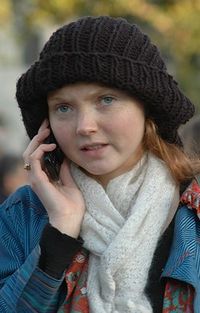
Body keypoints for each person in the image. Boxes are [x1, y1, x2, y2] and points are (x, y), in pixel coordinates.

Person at [0, 16, 200, 313]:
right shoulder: (23, 216)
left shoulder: (192, 214)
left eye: (105, 99)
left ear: (147, 106)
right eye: (63, 107)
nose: (84, 126)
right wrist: (60, 231)